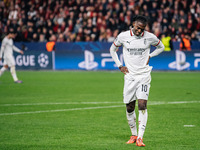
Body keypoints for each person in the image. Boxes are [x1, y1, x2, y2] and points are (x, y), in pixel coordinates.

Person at [110, 15, 164, 147]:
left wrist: (150, 55)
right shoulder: (123, 36)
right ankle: (133, 134)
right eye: (138, 28)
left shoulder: (149, 37)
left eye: (142, 29)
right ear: (133, 24)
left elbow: (161, 47)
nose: (140, 31)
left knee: (142, 105)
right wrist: (119, 65)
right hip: (130, 76)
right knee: (129, 107)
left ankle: (140, 137)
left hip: (144, 75)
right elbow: (112, 49)